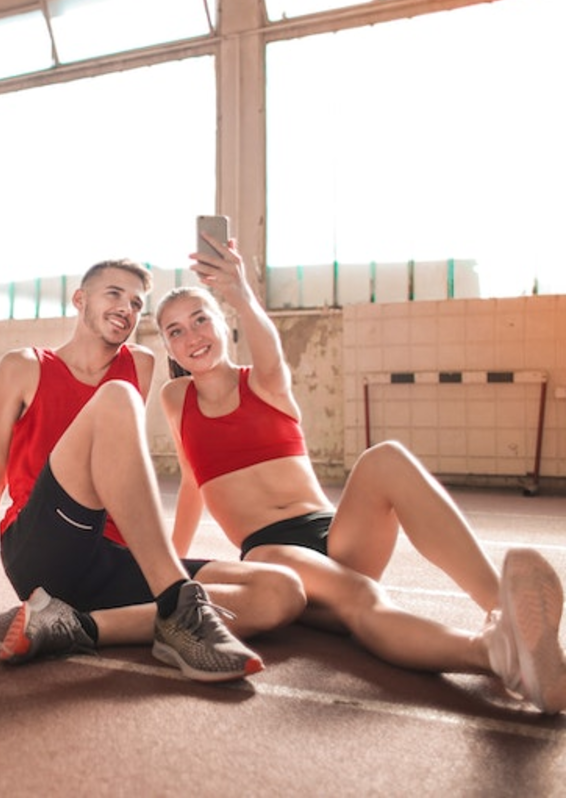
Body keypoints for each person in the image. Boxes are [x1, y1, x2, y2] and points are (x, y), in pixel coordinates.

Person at [153, 234, 566, 712]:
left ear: (224, 323)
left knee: (385, 457)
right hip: (271, 550)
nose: (192, 336)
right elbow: (190, 482)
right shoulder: (174, 401)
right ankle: (493, 655)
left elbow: (268, 346)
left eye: (200, 318)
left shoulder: (264, 382)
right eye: (175, 330)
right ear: (166, 345)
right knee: (362, 595)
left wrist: (242, 292)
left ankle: (504, 613)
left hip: (336, 533)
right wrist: (170, 575)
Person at [0, 258, 305, 682]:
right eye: (114, 294)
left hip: (107, 560)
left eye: (136, 302)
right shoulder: (22, 366)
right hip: (41, 549)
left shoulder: (140, 364)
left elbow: (118, 461)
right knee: (116, 399)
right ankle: (178, 603)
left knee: (282, 591)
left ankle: (76, 627)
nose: (126, 308)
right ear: (80, 299)